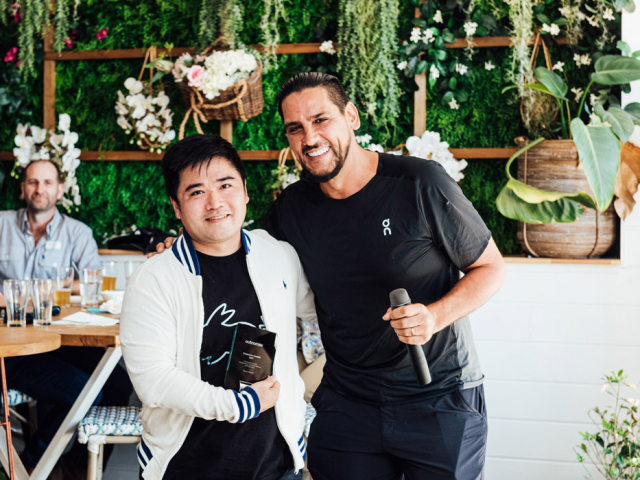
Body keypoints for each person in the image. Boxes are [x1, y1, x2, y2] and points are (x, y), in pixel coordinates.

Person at [262, 72, 507, 480]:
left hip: (441, 399)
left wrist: (434, 316)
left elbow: (491, 267)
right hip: (348, 405)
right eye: (295, 128)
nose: (309, 138)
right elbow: (243, 253)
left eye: (321, 120)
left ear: (351, 116)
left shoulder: (419, 184)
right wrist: (176, 254)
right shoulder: (292, 209)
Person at [120, 135, 315, 480]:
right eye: (196, 192)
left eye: (226, 185)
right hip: (187, 467)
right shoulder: (154, 278)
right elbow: (154, 380)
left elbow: (321, 311)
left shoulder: (279, 256)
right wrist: (239, 406)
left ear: (244, 191)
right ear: (176, 207)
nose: (214, 202)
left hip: (276, 466)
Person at [0, 159, 132, 477]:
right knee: (84, 390)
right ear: (22, 189)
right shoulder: (1, 224)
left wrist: (25, 291)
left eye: (47, 183)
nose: (39, 189)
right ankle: (34, 463)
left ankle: (76, 465)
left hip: (56, 335)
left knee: (117, 380)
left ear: (60, 189)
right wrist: (52, 287)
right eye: (32, 182)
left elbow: (92, 282)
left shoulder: (77, 232)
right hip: (12, 341)